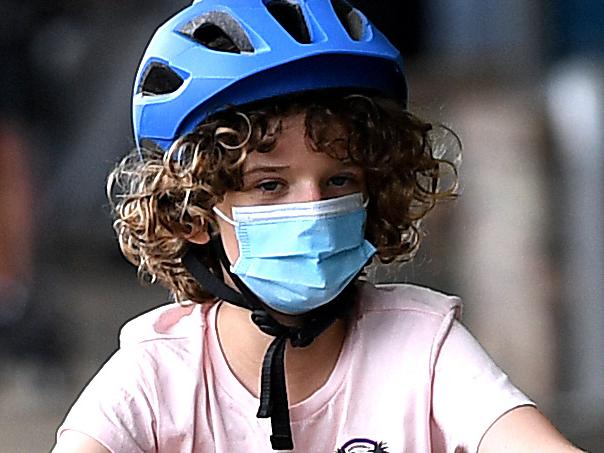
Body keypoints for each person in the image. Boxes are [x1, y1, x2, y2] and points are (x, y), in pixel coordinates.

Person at [53, 0, 585, 452]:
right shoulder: (155, 377)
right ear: (195, 214)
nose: (312, 208)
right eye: (269, 185)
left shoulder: (421, 346)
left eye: (339, 180)